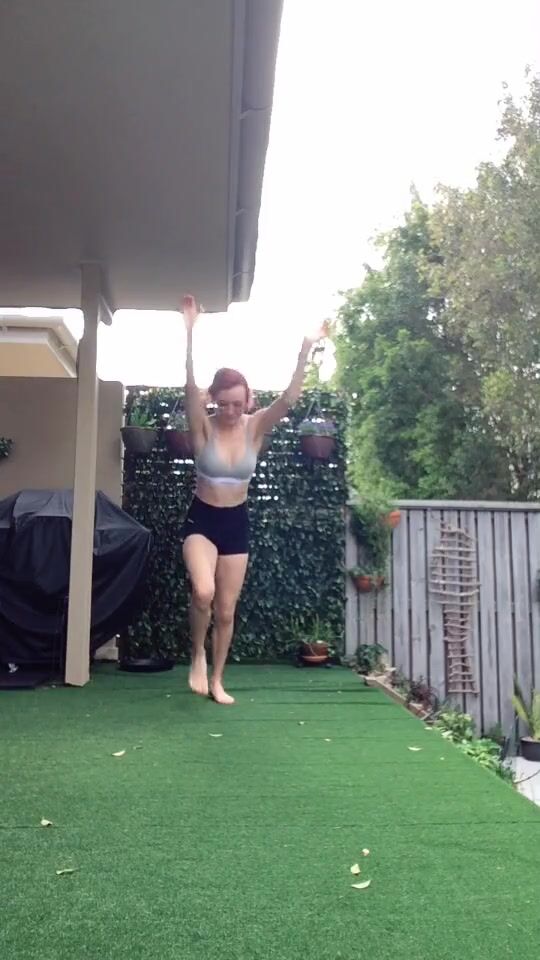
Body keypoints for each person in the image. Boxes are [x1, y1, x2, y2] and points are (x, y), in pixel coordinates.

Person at [181, 294, 327, 705]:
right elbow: (189, 388)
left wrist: (305, 349)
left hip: (236, 523)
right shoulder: (202, 427)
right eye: (223, 403)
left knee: (226, 611)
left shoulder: (254, 426)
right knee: (203, 592)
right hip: (202, 520)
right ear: (214, 399)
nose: (230, 411)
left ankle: (218, 680)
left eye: (237, 403)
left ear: (247, 400)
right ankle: (197, 655)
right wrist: (189, 333)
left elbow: (290, 399)